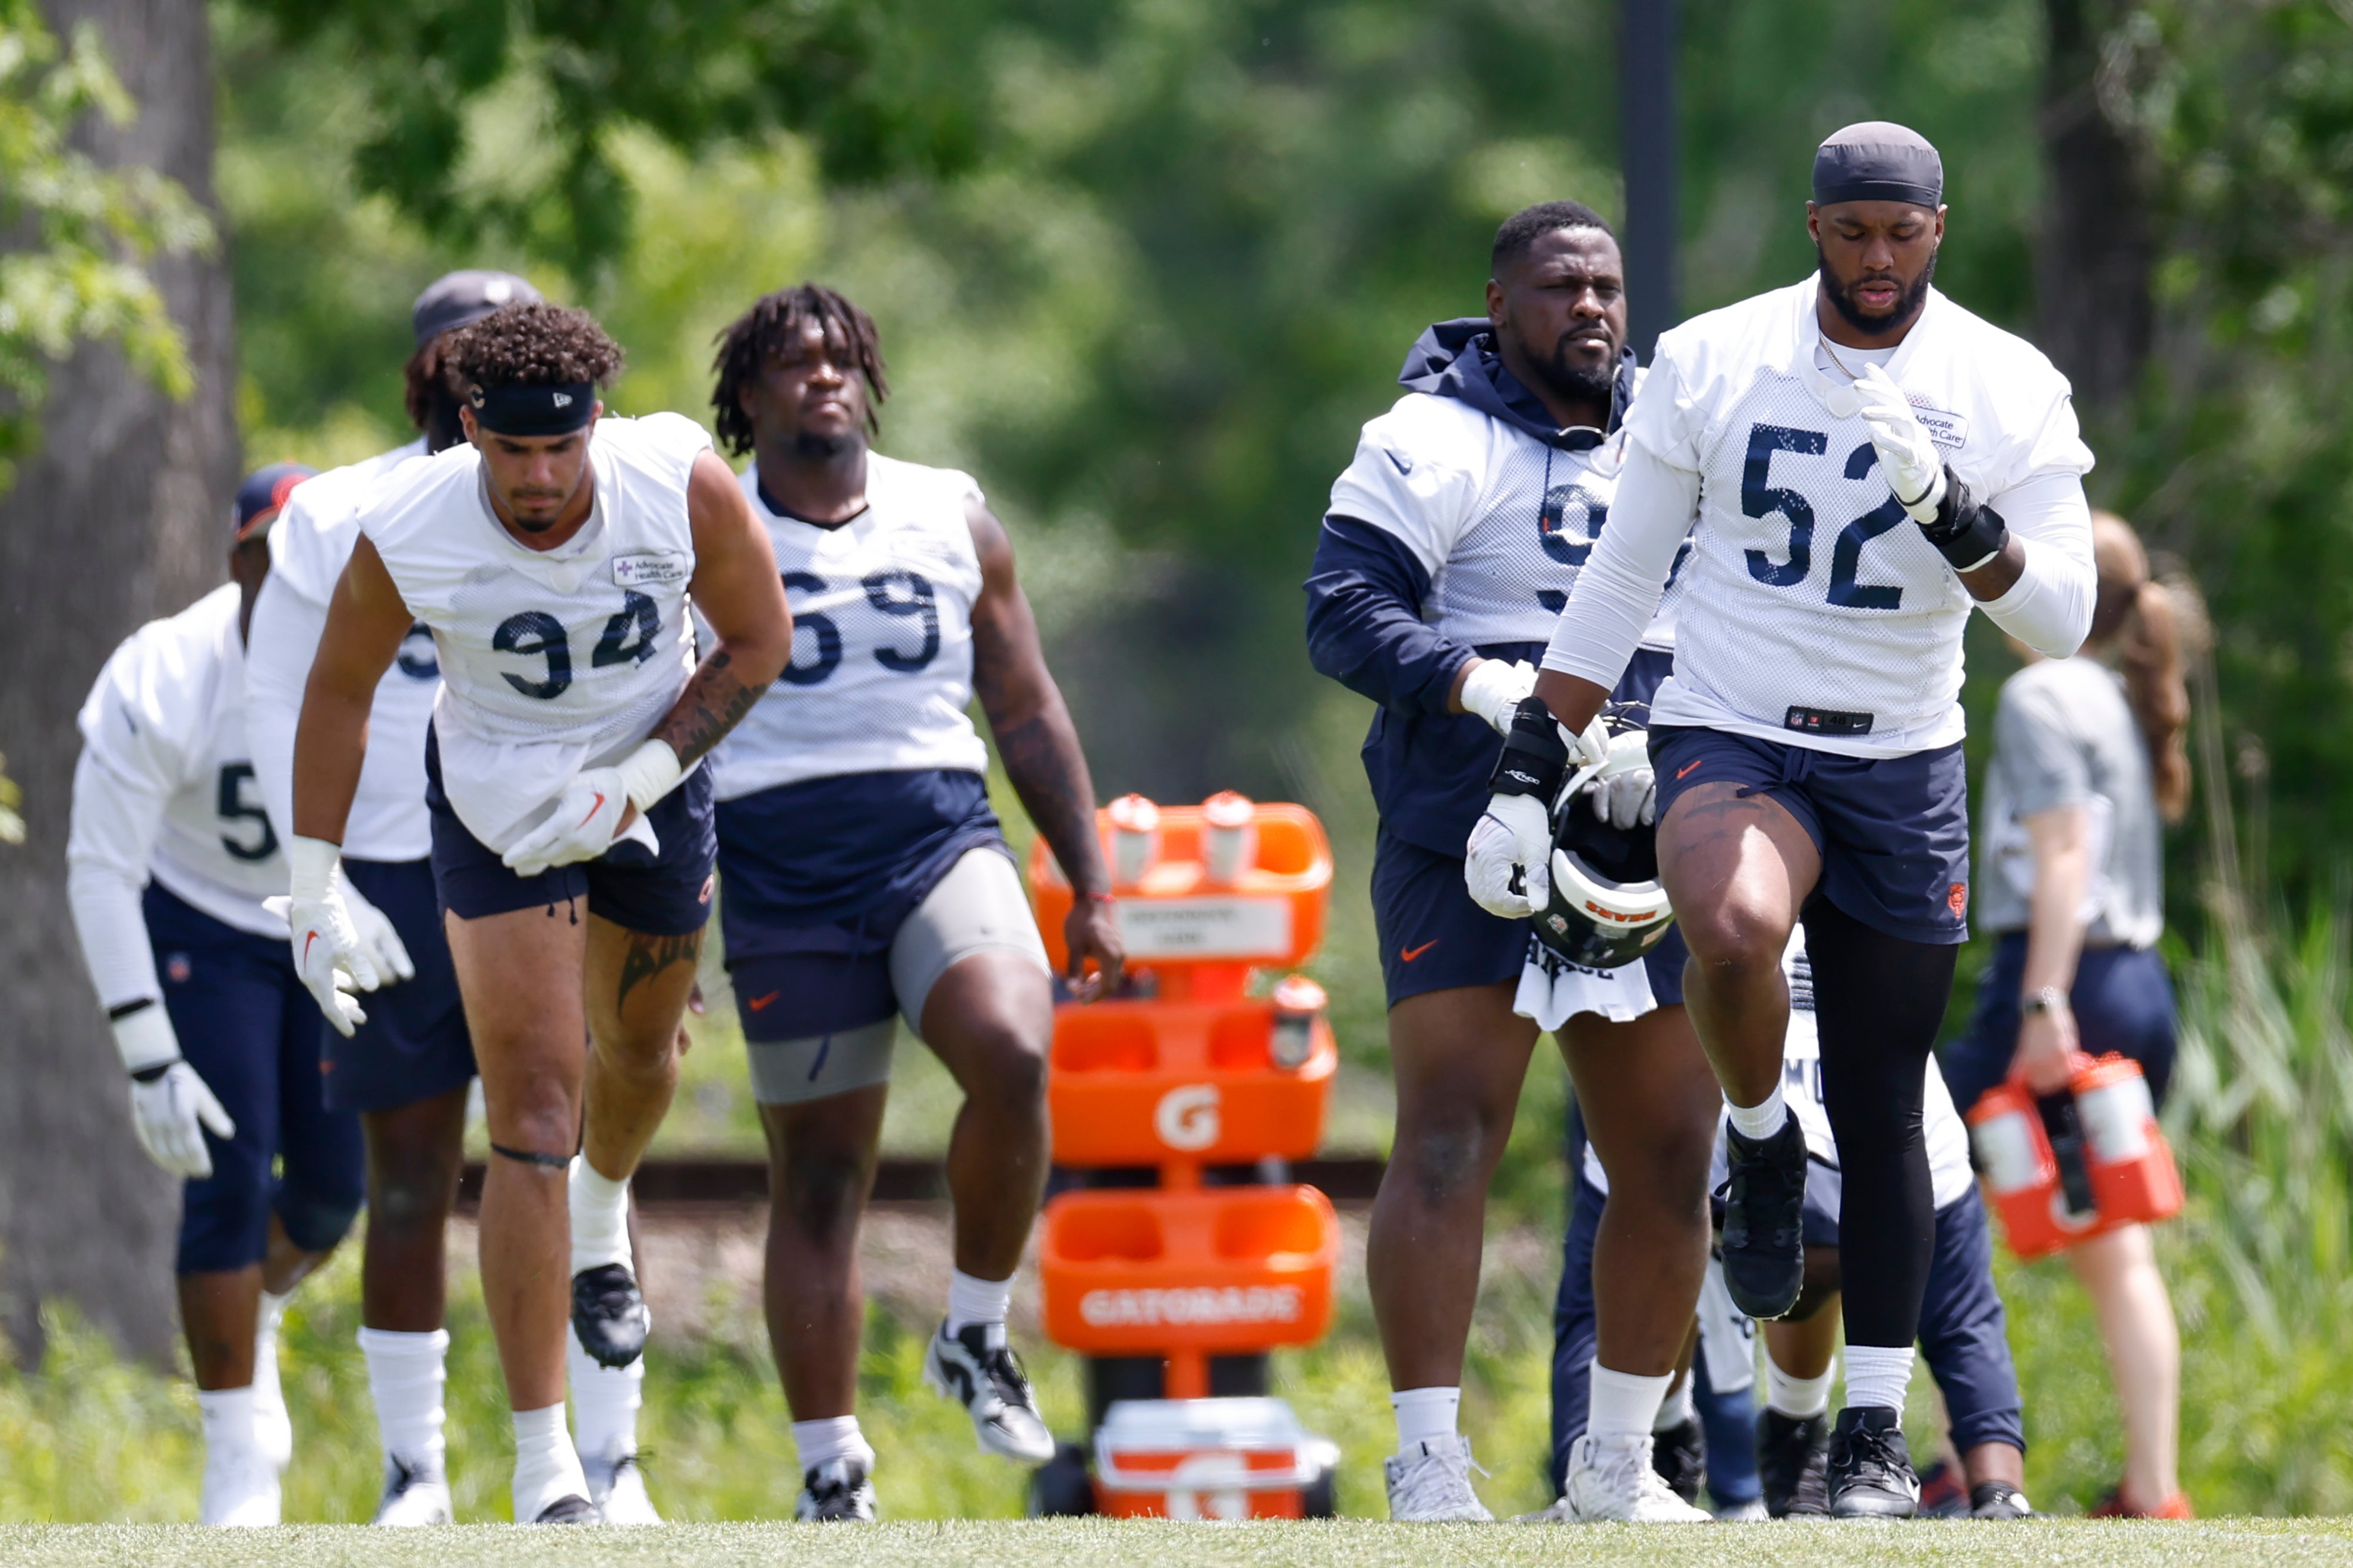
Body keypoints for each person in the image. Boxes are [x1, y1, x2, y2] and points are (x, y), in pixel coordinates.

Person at [1481, 122, 2096, 1515]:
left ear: (1939, 226)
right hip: (1734, 724)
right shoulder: (1715, 355)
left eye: (1900, 232)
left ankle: (1872, 1430)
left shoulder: (1997, 382)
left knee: (1883, 1100)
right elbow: (1627, 567)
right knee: (1733, 923)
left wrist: (1961, 525)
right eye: (1849, 232)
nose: (1875, 260)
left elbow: (2062, 619)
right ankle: (1756, 1126)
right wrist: (1533, 756)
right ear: (1812, 229)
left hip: (1900, 752)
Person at [284, 301, 793, 1522]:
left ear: (597, 424)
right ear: (470, 432)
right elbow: (339, 693)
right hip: (499, 804)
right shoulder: (408, 526)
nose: (538, 476)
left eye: (559, 448)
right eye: (511, 451)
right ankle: (544, 1466)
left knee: (640, 1056)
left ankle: (604, 1206)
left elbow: (759, 640)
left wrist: (639, 778)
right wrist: (311, 886)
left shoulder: (676, 479)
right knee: (531, 1109)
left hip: (648, 782)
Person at [1304, 200, 1721, 1523]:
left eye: (1605, 283)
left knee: (1664, 1147)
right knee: (1446, 1136)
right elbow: (1342, 609)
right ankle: (1428, 1466)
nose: (1589, 308)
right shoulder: (1431, 434)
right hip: (1469, 819)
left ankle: (1614, 1464)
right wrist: (1481, 687)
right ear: (1498, 303)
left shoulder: (1676, 431)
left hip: (1638, 820)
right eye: (1557, 287)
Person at [702, 283, 1124, 1522]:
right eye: (791, 363)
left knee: (1010, 1048)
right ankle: (831, 1467)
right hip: (780, 864)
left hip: (935, 833)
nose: (821, 378)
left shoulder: (948, 510)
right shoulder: (705, 532)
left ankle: (976, 1324)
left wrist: (1089, 880)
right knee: (822, 1179)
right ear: (747, 397)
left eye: (841, 358)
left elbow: (1026, 703)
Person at [246, 269, 659, 1526]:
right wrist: (309, 882)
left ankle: (609, 1457)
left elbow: (676, 666)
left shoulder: (598, 486)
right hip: (388, 863)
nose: (468, 375)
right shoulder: (346, 512)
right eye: (452, 356)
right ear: (427, 375)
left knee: (580, 1145)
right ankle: (415, 1465)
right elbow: (287, 699)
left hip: (563, 847)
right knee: (414, 1170)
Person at [66, 463, 364, 1526]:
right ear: (240, 560)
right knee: (226, 1175)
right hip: (203, 921)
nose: (301, 589)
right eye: (280, 562)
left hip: (327, 914)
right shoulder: (169, 673)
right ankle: (240, 1451)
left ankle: (261, 1302)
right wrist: (149, 1051)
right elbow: (101, 864)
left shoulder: (385, 656)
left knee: (335, 1189)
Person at [1552, 933, 2030, 1522]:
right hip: (1705, 1136)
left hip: (1764, 1132)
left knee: (1659, 1243)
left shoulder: (1917, 1130)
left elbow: (1963, 1314)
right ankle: (1671, 1432)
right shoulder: (1669, 1105)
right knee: (1652, 1242)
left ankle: (1785, 1433)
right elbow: (1963, 1319)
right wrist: (1999, 1486)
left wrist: (1999, 1490)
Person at [1944, 511, 2193, 1519]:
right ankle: (2151, 1488)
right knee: (2114, 1242)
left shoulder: (2048, 691)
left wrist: (2042, 1004)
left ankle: (1948, 1461)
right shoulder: (2113, 698)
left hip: (2063, 986)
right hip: (2135, 984)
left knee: (1906, 1180)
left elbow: (2063, 853)